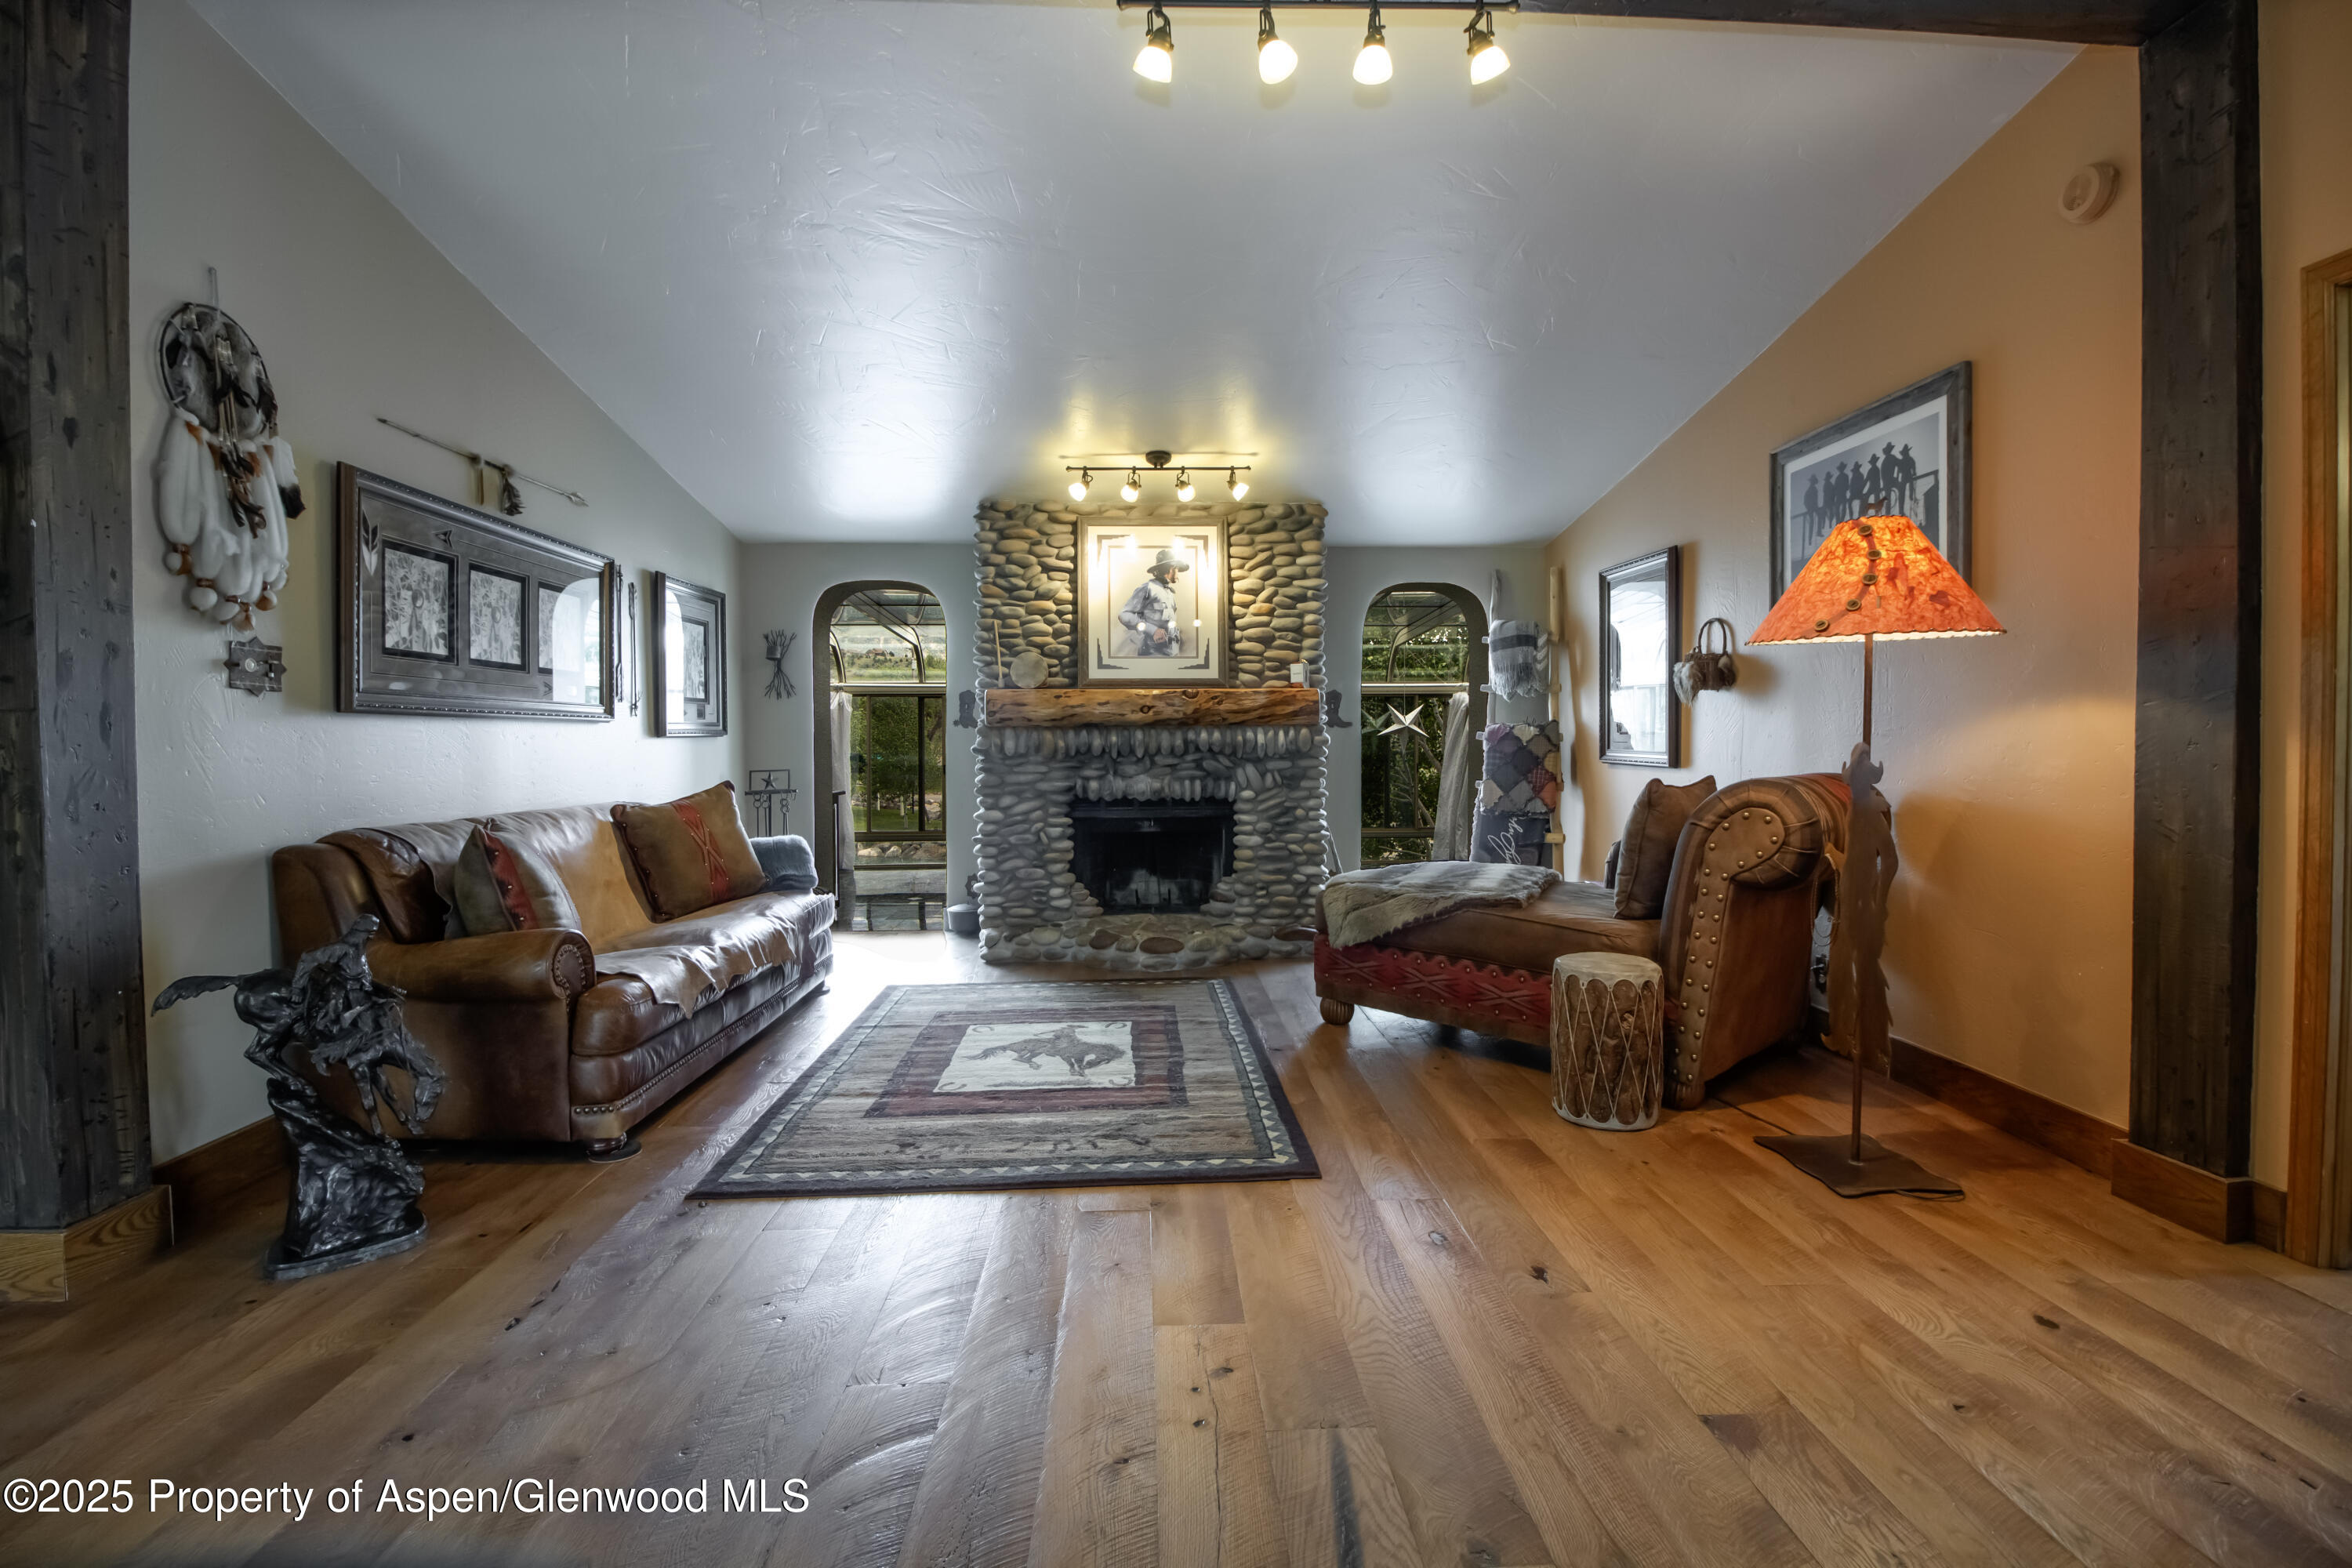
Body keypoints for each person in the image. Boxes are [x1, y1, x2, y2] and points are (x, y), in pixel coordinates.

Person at [1116, 546, 1189, 657]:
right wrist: (1152, 630)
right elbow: (1124, 615)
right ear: (1171, 568)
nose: (1178, 573)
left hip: (1173, 654)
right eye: (1177, 569)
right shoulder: (1148, 588)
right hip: (1153, 655)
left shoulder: (1169, 592)